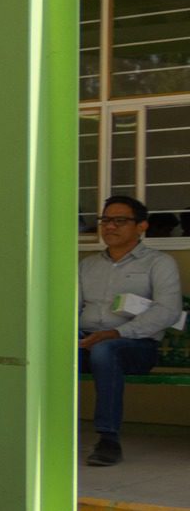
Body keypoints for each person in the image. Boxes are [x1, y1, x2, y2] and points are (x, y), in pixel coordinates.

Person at [80, 194, 184, 466]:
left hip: (135, 347)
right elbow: (70, 307)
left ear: (141, 227)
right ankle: (41, 432)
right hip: (87, 340)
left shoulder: (158, 263)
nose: (110, 227)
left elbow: (168, 310)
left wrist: (116, 333)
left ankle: (108, 439)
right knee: (51, 354)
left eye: (120, 221)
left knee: (105, 351)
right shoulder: (88, 265)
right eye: (105, 220)